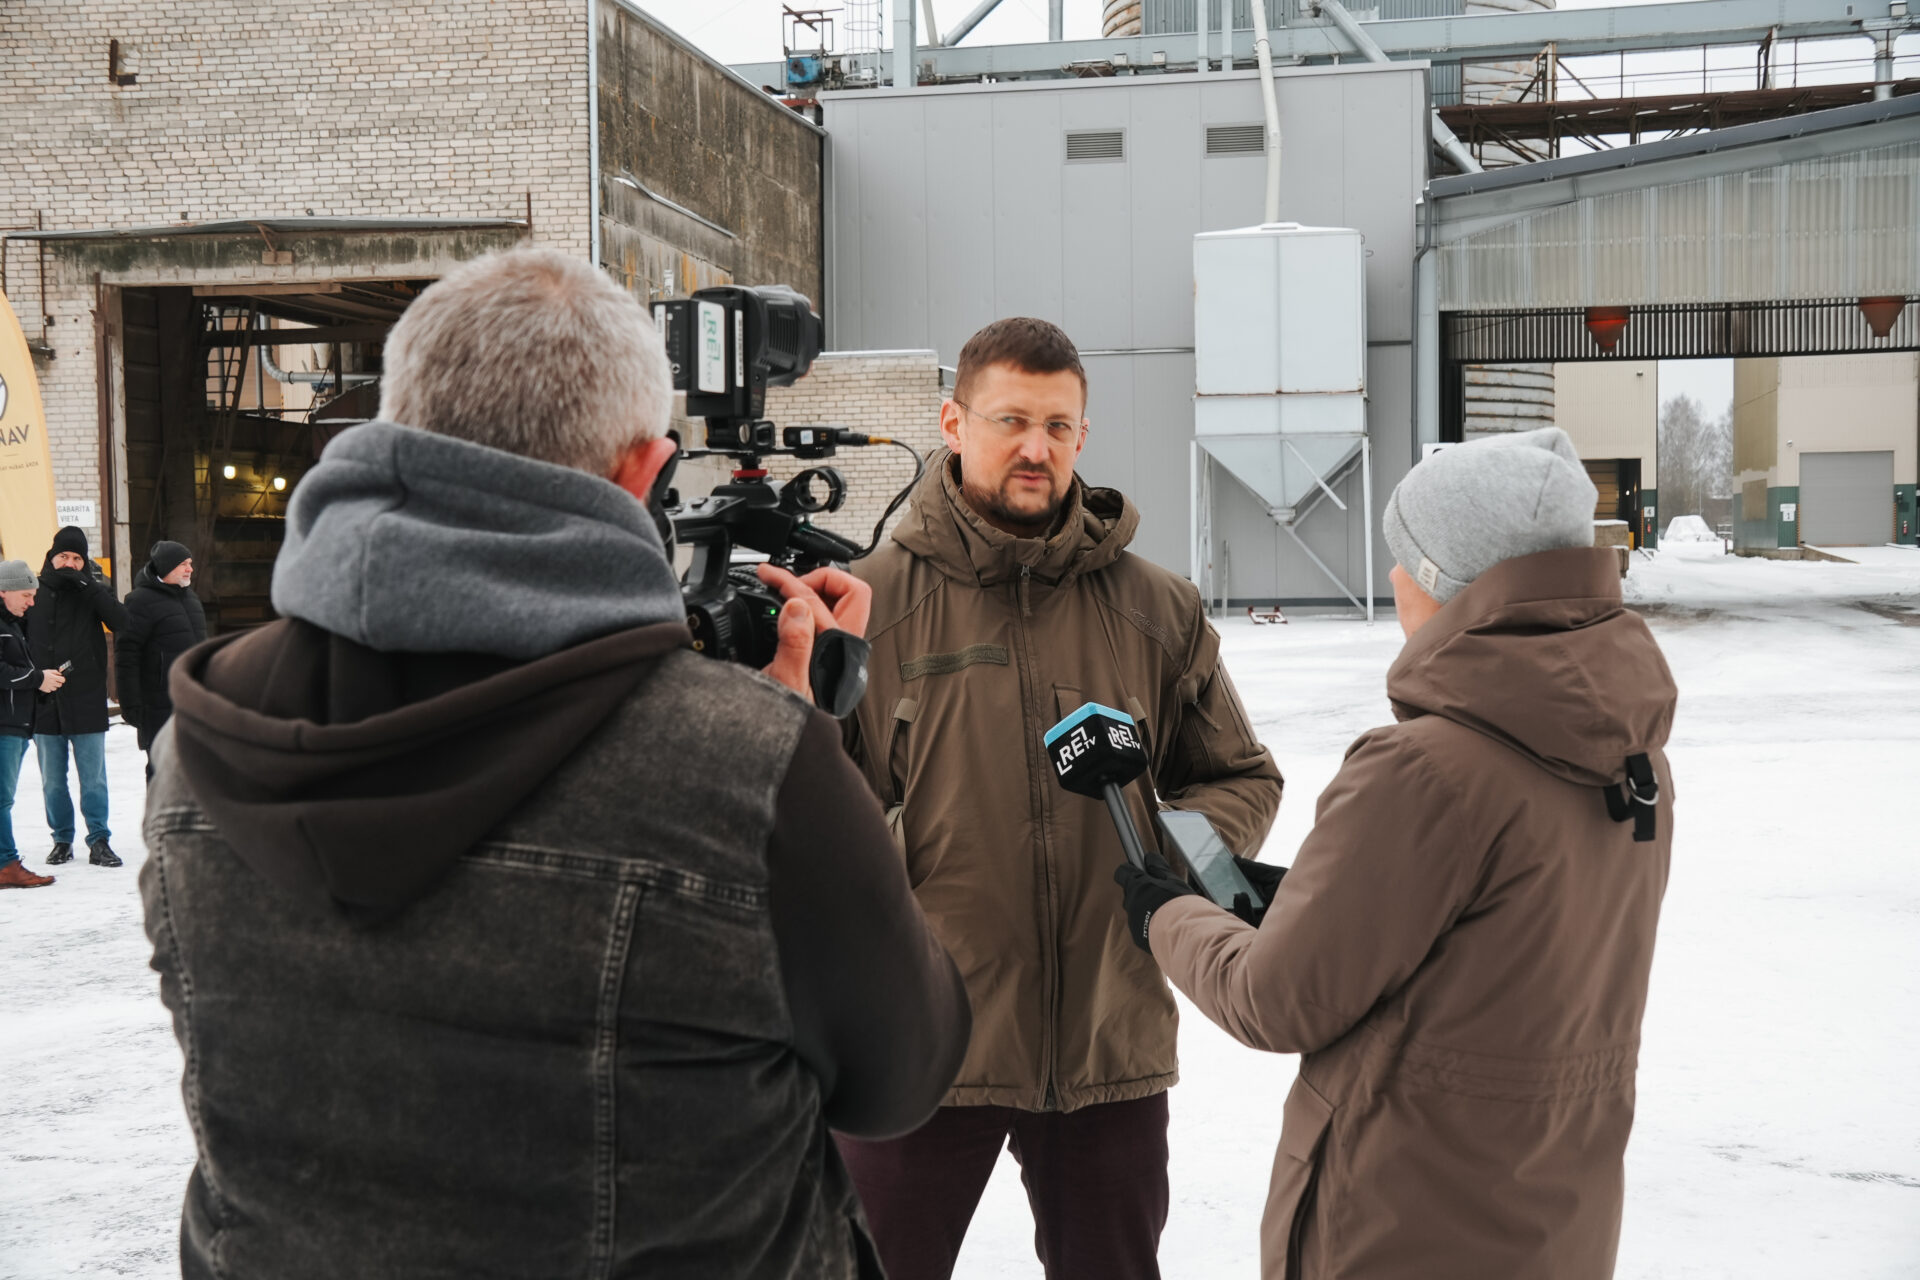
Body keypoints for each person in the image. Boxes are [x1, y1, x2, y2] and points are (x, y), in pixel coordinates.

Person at [138, 247, 969, 1279]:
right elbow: (902, 1074)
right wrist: (801, 745)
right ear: (642, 470)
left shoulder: (202, 737)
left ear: (397, 424)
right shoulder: (748, 766)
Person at [1114, 427, 1677, 1280]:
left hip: (1402, 1223)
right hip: (1555, 1218)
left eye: (1406, 555)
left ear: (1449, 580)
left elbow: (1275, 1001)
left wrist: (1166, 916)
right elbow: (1496, 943)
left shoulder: (1425, 769)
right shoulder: (1633, 759)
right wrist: (1306, 899)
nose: (1391, 575)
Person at [837, 316, 1284, 1280]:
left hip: (1107, 1041)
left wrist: (1174, 858)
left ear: (1083, 434)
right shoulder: (868, 605)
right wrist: (901, 858)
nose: (1035, 448)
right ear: (953, 423)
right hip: (921, 1040)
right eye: (1010, 421)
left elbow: (1240, 776)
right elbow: (807, 808)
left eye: (1057, 425)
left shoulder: (1157, 607)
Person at [26, 525, 132, 867]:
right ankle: (62, 840)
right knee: (53, 782)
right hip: (45, 700)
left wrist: (89, 586)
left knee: (94, 779)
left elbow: (122, 621)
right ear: (51, 557)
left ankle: (99, 840)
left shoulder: (92, 592)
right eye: (63, 556)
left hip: (86, 698)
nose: (69, 564)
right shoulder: (34, 592)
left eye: (77, 558)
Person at [116, 538, 205, 777]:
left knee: (195, 772)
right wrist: (130, 703)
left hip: (193, 701)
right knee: (162, 772)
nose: (190, 569)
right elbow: (127, 655)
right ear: (166, 567)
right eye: (184, 564)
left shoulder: (192, 599)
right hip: (157, 705)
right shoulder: (139, 601)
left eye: (190, 563)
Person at [2, 560, 64, 889]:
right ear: (4, 591)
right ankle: (6, 865)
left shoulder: (12, 624)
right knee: (2, 800)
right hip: (5, 725)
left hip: (15, 723)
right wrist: (37, 678)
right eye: (26, 595)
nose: (32, 602)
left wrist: (39, 684)